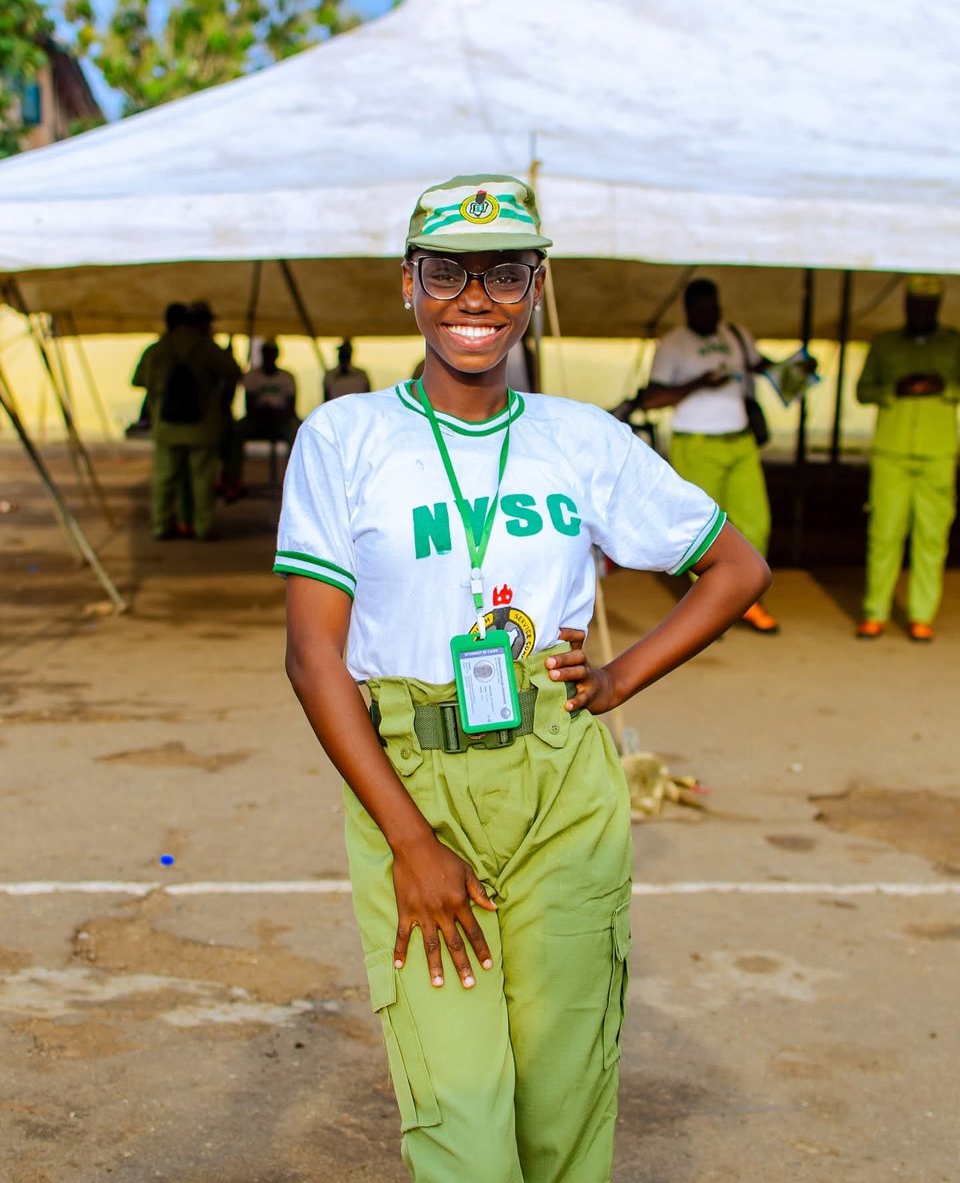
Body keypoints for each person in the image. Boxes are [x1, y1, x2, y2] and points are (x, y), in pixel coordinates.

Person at [275, 173, 769, 1183]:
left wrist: (620, 679)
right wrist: (410, 842)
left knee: (565, 1099)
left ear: (535, 288)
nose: (475, 298)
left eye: (504, 274)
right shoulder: (345, 438)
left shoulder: (580, 439)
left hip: (561, 782)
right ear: (408, 285)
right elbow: (312, 654)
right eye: (448, 272)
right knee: (461, 1112)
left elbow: (737, 569)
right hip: (414, 781)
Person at [620, 278, 783, 633]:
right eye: (704, 310)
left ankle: (751, 600)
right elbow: (653, 398)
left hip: (739, 441)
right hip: (695, 443)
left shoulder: (736, 334)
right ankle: (712, 614)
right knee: (704, 530)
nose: (711, 316)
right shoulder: (674, 345)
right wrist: (698, 384)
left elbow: (760, 365)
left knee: (756, 523)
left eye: (716, 308)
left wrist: (795, 370)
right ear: (689, 309)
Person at [855, 275, 960, 642]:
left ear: (937, 307)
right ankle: (875, 612)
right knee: (884, 533)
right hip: (891, 452)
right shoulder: (884, 345)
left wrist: (942, 385)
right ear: (906, 306)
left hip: (937, 453)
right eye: (915, 304)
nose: (921, 311)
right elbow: (862, 390)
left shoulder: (954, 344)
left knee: (931, 537)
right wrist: (893, 389)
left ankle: (921, 615)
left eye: (928, 306)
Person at [146, 300, 241, 540]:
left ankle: (161, 525)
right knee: (201, 479)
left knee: (165, 478)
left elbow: (138, 379)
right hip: (203, 427)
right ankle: (202, 527)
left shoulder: (158, 348)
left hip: (167, 427)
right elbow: (233, 371)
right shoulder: (206, 348)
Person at [222, 340, 299, 500]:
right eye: (266, 354)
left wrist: (277, 413)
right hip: (257, 420)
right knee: (234, 432)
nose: (269, 357)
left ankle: (296, 482)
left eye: (272, 353)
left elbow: (291, 407)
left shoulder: (286, 377)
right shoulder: (253, 376)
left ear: (277, 355)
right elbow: (249, 406)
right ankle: (233, 480)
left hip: (281, 420)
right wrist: (265, 412)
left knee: (298, 435)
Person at [127, 302, 188, 437]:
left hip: (161, 420)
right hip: (197, 424)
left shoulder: (154, 351)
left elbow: (137, 380)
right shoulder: (204, 349)